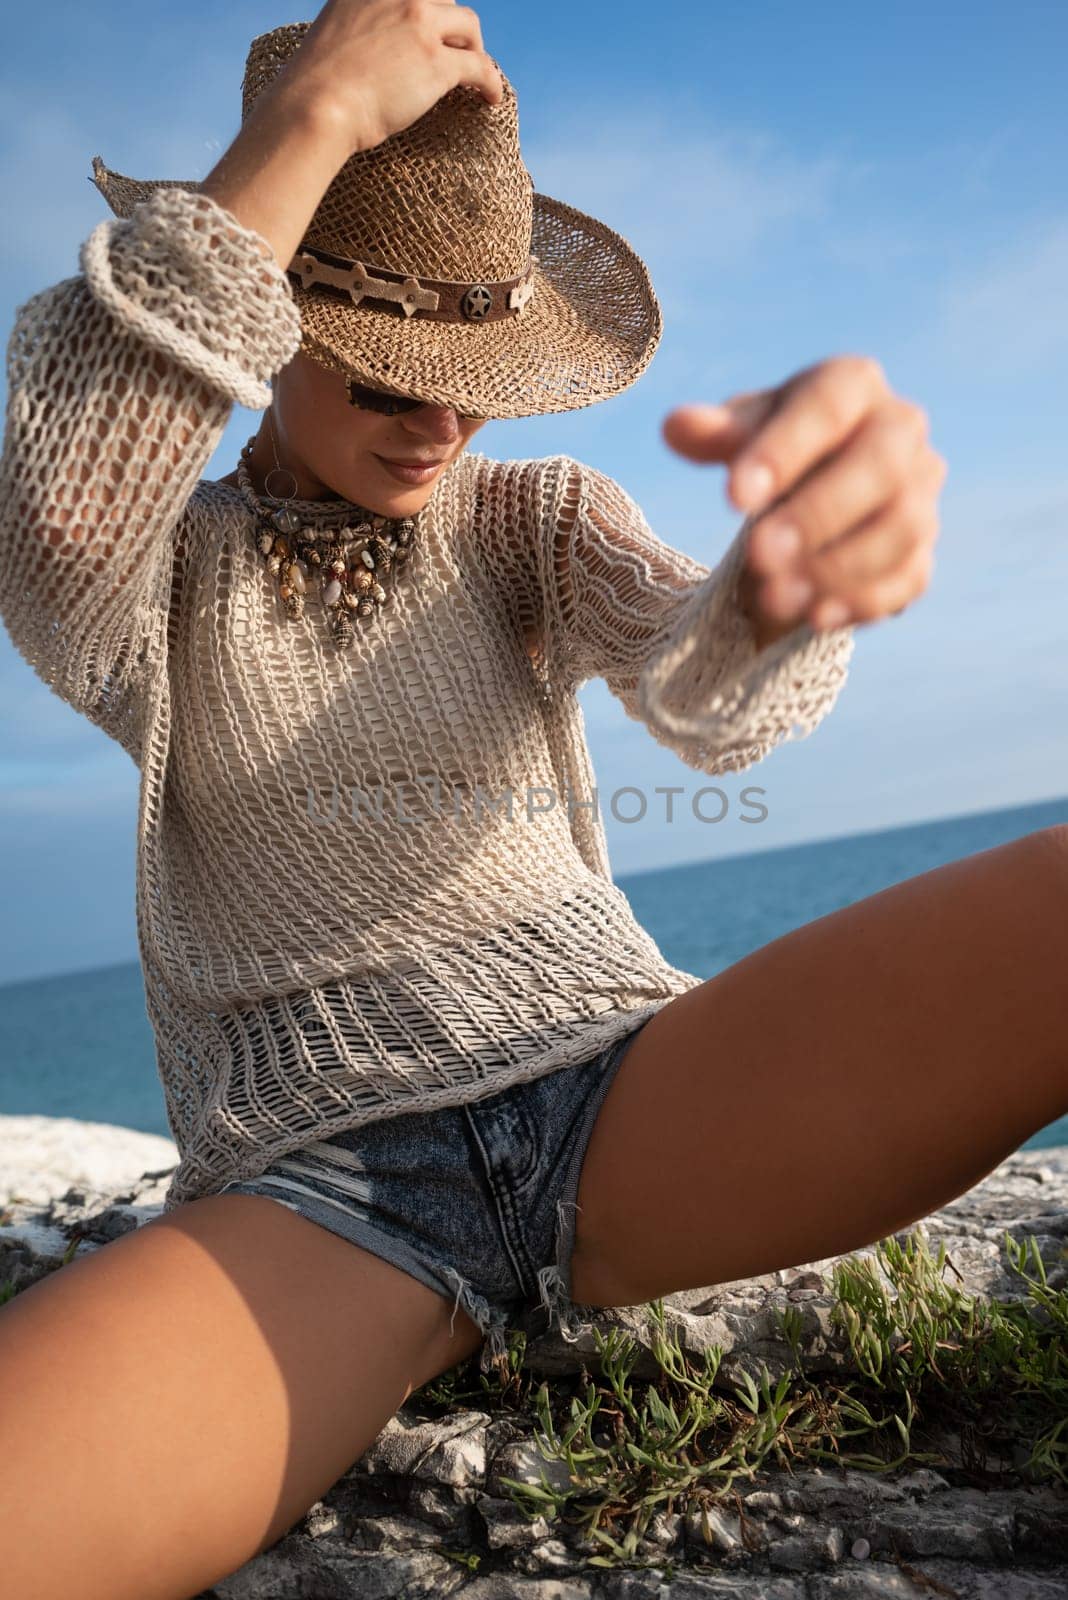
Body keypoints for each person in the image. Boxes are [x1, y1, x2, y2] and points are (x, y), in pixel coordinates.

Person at [0, 4, 1064, 1597]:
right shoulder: (160, 575)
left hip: (630, 1095)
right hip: (325, 1191)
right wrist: (306, 129)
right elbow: (56, 517)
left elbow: (707, 697)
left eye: (472, 374)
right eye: (383, 369)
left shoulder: (529, 519)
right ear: (266, 315)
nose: (440, 422)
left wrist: (785, 602)